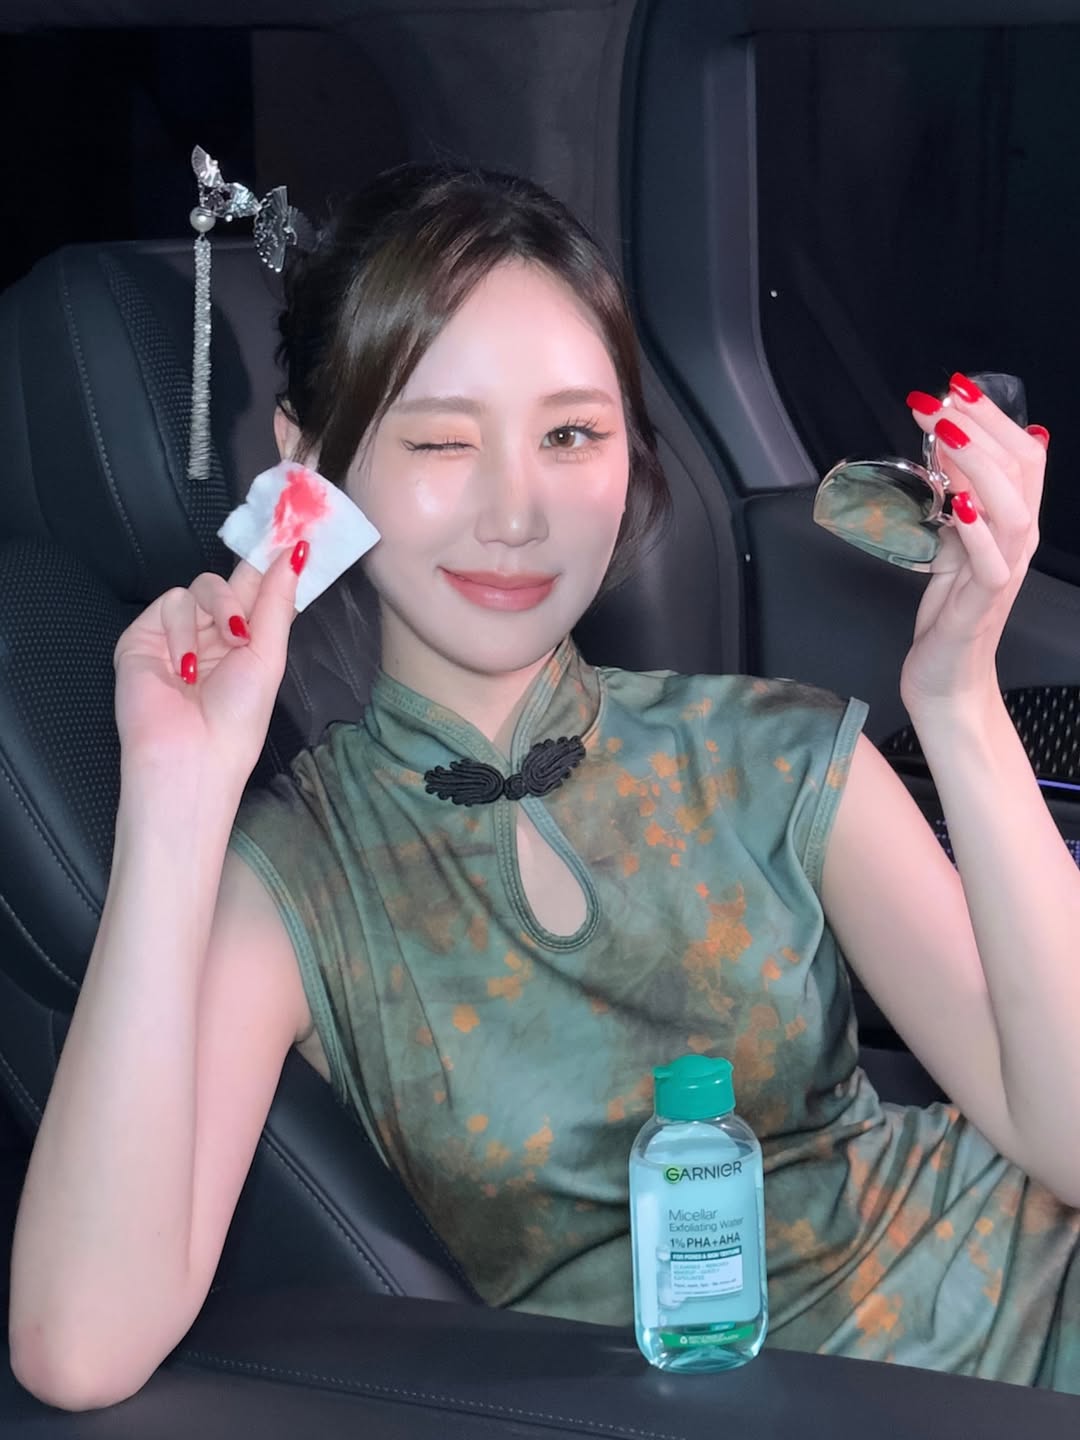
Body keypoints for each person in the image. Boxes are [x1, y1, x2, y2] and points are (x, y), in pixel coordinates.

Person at [8, 164, 1080, 1411]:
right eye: (440, 440)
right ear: (307, 463)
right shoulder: (303, 876)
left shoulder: (777, 752)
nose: (517, 514)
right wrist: (178, 797)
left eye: (571, 435)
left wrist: (960, 700)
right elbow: (79, 1346)